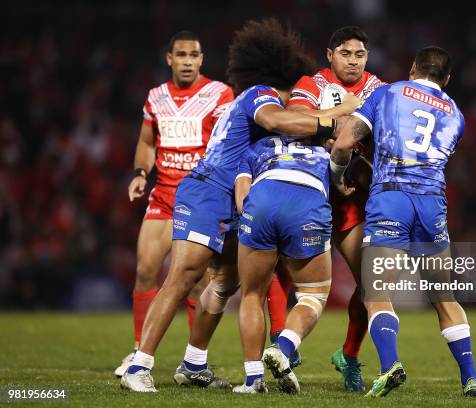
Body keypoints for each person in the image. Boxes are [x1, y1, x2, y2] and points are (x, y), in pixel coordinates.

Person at [120, 18, 340, 393]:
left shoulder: (257, 98)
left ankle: (193, 364)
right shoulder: (262, 95)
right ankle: (138, 366)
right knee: (183, 276)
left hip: (235, 197)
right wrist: (328, 123)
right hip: (208, 190)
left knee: (223, 284)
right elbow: (278, 120)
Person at [330, 46, 476, 398]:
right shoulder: (457, 115)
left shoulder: (388, 93)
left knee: (376, 291)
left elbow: (343, 144)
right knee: (444, 296)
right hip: (432, 204)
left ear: (413, 67)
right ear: (446, 79)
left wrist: (339, 177)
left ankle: (390, 366)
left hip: (391, 199)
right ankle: (471, 377)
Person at [266, 26, 385, 391]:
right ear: (330, 54)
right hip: (309, 194)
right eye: (346, 53)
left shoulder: (378, 89)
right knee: (280, 273)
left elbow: (380, 132)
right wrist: (345, 115)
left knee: (371, 280)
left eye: (359, 54)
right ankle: (282, 343)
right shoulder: (312, 82)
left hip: (351, 201)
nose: (353, 60)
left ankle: (349, 356)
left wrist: (331, 125)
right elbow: (296, 119)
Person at [115, 30, 234, 377]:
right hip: (164, 195)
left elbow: (225, 143)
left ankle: (195, 361)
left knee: (197, 282)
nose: (187, 61)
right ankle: (138, 350)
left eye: (193, 56)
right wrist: (140, 172)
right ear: (169, 59)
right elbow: (146, 142)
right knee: (145, 271)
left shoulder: (218, 94)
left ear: (201, 60)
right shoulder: (156, 98)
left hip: (200, 198)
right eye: (180, 55)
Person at [232, 134, 333, 394]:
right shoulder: (325, 144)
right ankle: (283, 348)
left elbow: (242, 199)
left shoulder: (254, 148)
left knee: (252, 295)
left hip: (262, 199)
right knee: (313, 295)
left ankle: (253, 380)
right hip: (307, 200)